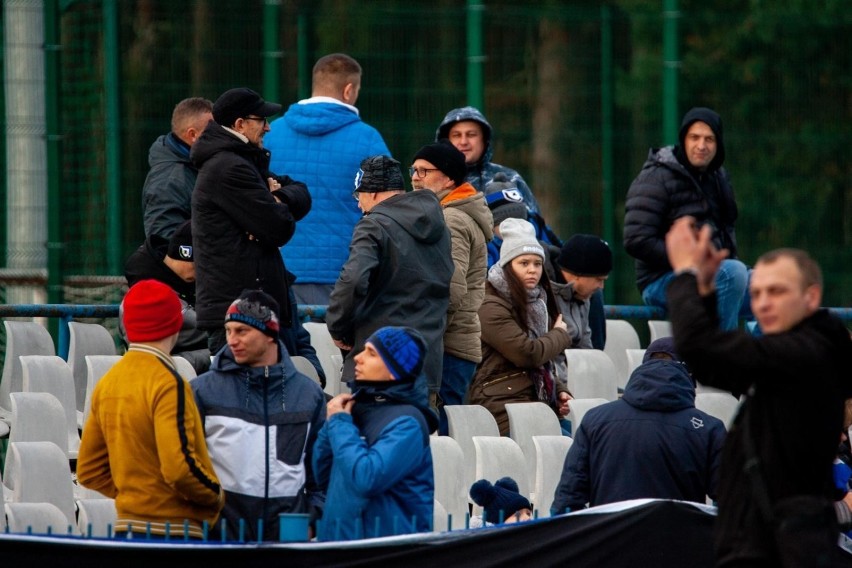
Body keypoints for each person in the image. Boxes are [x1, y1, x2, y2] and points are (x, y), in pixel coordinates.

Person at [665, 216, 852, 567]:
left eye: (777, 291)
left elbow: (699, 349)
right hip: (767, 541)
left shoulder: (807, 354)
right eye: (756, 294)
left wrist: (687, 275)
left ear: (811, 296)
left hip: (779, 547)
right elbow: (710, 365)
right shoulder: (805, 352)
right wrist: (705, 291)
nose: (763, 303)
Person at [77, 279, 224, 539]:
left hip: (127, 528)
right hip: (174, 531)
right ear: (175, 325)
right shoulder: (168, 382)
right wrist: (216, 494)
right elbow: (179, 469)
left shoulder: (109, 381)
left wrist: (134, 494)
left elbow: (89, 470)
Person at [191, 290, 327, 542]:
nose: (232, 340)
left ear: (270, 333)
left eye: (242, 331)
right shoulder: (202, 391)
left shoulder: (309, 395)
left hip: (289, 539)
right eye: (229, 330)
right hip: (220, 539)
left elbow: (323, 474)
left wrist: (311, 522)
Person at [191, 87, 312, 354]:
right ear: (240, 124)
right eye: (262, 120)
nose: (268, 128)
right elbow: (279, 227)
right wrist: (272, 210)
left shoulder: (242, 162)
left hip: (256, 306)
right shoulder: (228, 168)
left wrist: (277, 199)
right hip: (240, 315)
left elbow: (301, 192)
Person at [326, 155, 453, 405]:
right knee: (419, 438)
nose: (359, 205)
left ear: (371, 193)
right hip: (426, 361)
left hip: (380, 363)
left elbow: (352, 281)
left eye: (358, 196)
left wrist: (338, 327)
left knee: (378, 437)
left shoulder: (373, 225)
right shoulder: (440, 227)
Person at [264, 53, 390, 306]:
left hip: (278, 269)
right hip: (346, 273)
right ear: (348, 90)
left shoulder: (270, 133)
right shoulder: (367, 139)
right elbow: (389, 211)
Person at [551, 337, 726, 515]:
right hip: (679, 539)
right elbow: (732, 505)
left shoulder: (594, 420)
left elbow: (566, 502)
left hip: (610, 539)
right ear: (690, 376)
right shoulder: (709, 429)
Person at [624, 107, 750, 331]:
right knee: (733, 274)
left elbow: (727, 230)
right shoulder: (656, 176)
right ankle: (720, 360)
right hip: (660, 280)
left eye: (709, 139)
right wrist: (688, 262)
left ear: (718, 144)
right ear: (684, 139)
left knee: (778, 284)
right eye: (695, 137)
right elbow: (636, 240)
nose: (701, 146)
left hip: (715, 273)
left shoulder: (719, 177)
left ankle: (763, 362)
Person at [312, 326, 437, 541]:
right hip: (338, 543)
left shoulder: (408, 423)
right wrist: (331, 423)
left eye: (371, 354)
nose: (358, 358)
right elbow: (322, 474)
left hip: (383, 551)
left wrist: (340, 423)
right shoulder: (356, 410)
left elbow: (366, 478)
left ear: (394, 369)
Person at [410, 140, 493, 435]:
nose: (415, 178)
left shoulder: (451, 219)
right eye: (414, 170)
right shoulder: (449, 213)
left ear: (448, 178)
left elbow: (450, 287)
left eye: (425, 171)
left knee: (444, 438)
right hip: (453, 344)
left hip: (448, 345)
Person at [467, 218, 572, 436]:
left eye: (537, 263)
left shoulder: (538, 302)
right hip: (500, 403)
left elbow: (542, 363)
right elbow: (526, 354)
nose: (532, 270)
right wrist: (560, 334)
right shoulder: (489, 305)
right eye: (523, 263)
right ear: (507, 265)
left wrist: (560, 391)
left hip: (531, 400)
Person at [435, 106, 561, 246]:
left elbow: (534, 229)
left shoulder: (510, 178)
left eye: (471, 134)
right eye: (457, 135)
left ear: (485, 140)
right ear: (446, 140)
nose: (464, 141)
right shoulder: (433, 180)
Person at [123, 220, 210, 374]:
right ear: (186, 254)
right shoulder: (147, 294)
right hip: (156, 373)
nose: (204, 272)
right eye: (203, 263)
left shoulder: (183, 285)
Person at [142, 97, 213, 240]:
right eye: (213, 131)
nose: (220, 136)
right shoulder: (169, 181)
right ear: (193, 135)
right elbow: (163, 242)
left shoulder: (196, 166)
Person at [552, 234, 613, 350]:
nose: (601, 286)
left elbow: (587, 346)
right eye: (599, 279)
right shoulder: (540, 293)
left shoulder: (583, 295)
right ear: (577, 274)